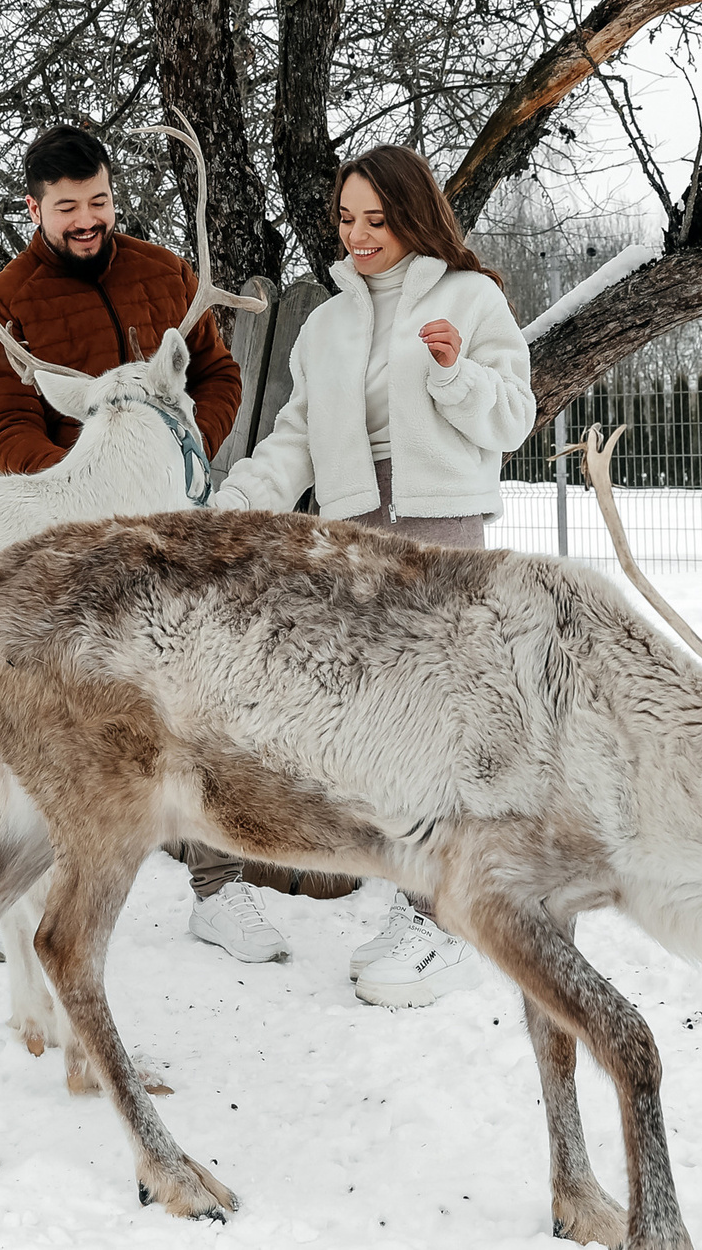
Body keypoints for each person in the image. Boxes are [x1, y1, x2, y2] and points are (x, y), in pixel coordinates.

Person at [211, 144, 537, 1006]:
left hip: (438, 524)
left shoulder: (471, 297)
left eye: (376, 220)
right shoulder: (326, 324)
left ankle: (440, 920)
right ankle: (415, 900)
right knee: (381, 728)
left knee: (440, 723)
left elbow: (513, 416)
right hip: (353, 528)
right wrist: (237, 502)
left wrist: (453, 373)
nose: (358, 236)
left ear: (412, 215)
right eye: (346, 220)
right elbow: (293, 437)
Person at [0, 123, 289, 965]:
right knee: (46, 721)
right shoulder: (2, 304)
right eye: (67, 207)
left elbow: (219, 375)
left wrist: (183, 451)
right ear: (34, 207)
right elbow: (1, 427)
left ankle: (219, 890)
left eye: (99, 201)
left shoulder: (166, 273)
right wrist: (84, 483)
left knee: (187, 705)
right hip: (64, 550)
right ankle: (15, 889)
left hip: (170, 537)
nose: (87, 219)